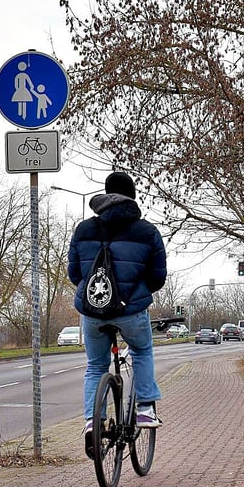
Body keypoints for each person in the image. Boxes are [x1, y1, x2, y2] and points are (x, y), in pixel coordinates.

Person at [67, 171, 167, 455]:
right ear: (132, 196)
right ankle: (145, 408)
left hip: (92, 310)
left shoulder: (84, 229)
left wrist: (98, 293)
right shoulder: (146, 231)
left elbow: (75, 273)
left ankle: (92, 422)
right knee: (142, 350)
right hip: (131, 310)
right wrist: (133, 294)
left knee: (96, 366)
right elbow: (158, 277)